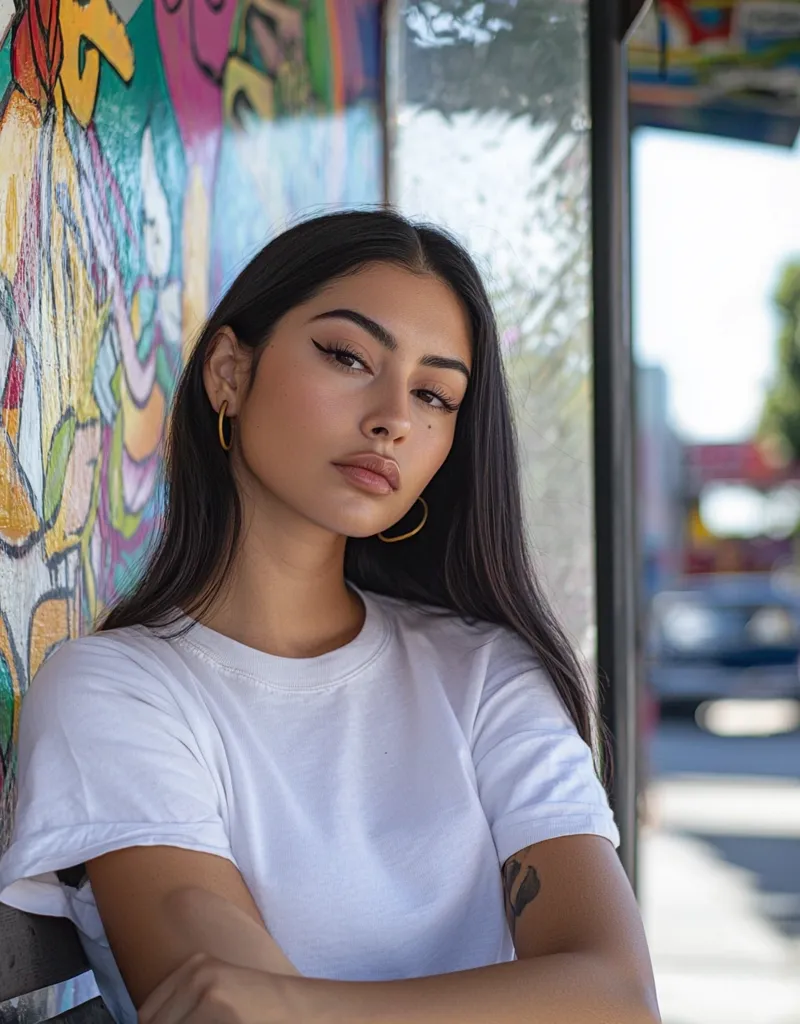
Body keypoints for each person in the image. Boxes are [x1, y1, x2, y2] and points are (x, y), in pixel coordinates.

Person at [0, 210, 660, 1024]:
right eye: (348, 356)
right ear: (228, 372)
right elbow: (225, 1008)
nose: (394, 418)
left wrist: (298, 1003)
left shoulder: (488, 673)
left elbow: (619, 996)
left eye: (433, 394)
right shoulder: (116, 692)